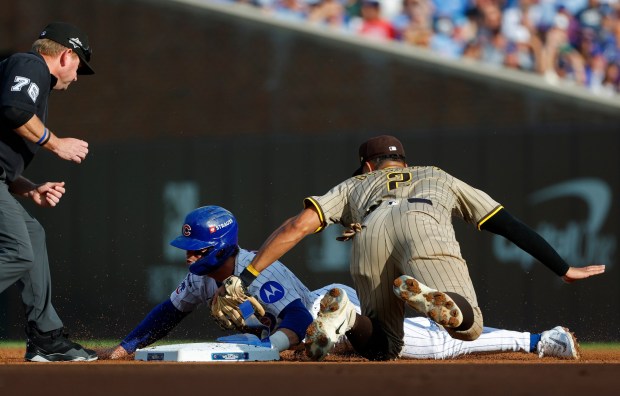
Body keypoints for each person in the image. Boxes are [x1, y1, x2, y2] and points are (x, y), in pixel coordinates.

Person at [237, 135, 605, 361]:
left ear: (366, 165)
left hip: (370, 235)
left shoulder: (356, 186)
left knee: (383, 347)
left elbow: (297, 226)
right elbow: (505, 223)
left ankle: (349, 318)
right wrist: (562, 268)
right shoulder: (436, 174)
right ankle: (428, 297)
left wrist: (248, 273)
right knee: (468, 328)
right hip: (424, 227)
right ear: (404, 163)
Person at [104, 205, 579, 361]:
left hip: (319, 313)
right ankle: (342, 321)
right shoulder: (200, 278)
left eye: (197, 250)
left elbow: (292, 318)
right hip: (317, 328)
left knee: (434, 345)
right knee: (236, 338)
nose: (188, 257)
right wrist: (125, 348)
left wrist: (269, 347)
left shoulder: (256, 269)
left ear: (223, 248)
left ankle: (540, 338)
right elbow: (166, 314)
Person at [0, 22, 96, 362]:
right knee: (19, 252)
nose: (75, 77)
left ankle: (46, 338)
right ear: (67, 55)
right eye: (79, 67)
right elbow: (14, 110)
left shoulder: (29, 74)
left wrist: (29, 188)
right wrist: (56, 144)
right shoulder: (31, 65)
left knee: (32, 237)